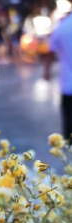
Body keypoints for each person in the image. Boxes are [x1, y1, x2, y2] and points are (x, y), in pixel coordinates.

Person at [44, 6, 72, 142]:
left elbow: (50, 52)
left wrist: (46, 72)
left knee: (69, 120)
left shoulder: (62, 27)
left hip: (68, 85)